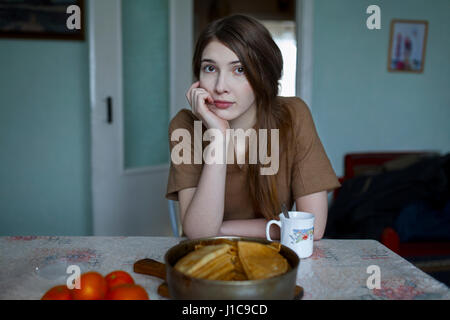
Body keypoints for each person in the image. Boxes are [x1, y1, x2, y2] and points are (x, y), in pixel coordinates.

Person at [166, 14, 340, 240]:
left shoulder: (293, 115)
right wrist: (219, 139)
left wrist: (221, 229)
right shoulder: (186, 126)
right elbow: (199, 234)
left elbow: (310, 228)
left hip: (277, 260)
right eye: (210, 68)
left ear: (264, 76)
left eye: (239, 70)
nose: (220, 87)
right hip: (211, 259)